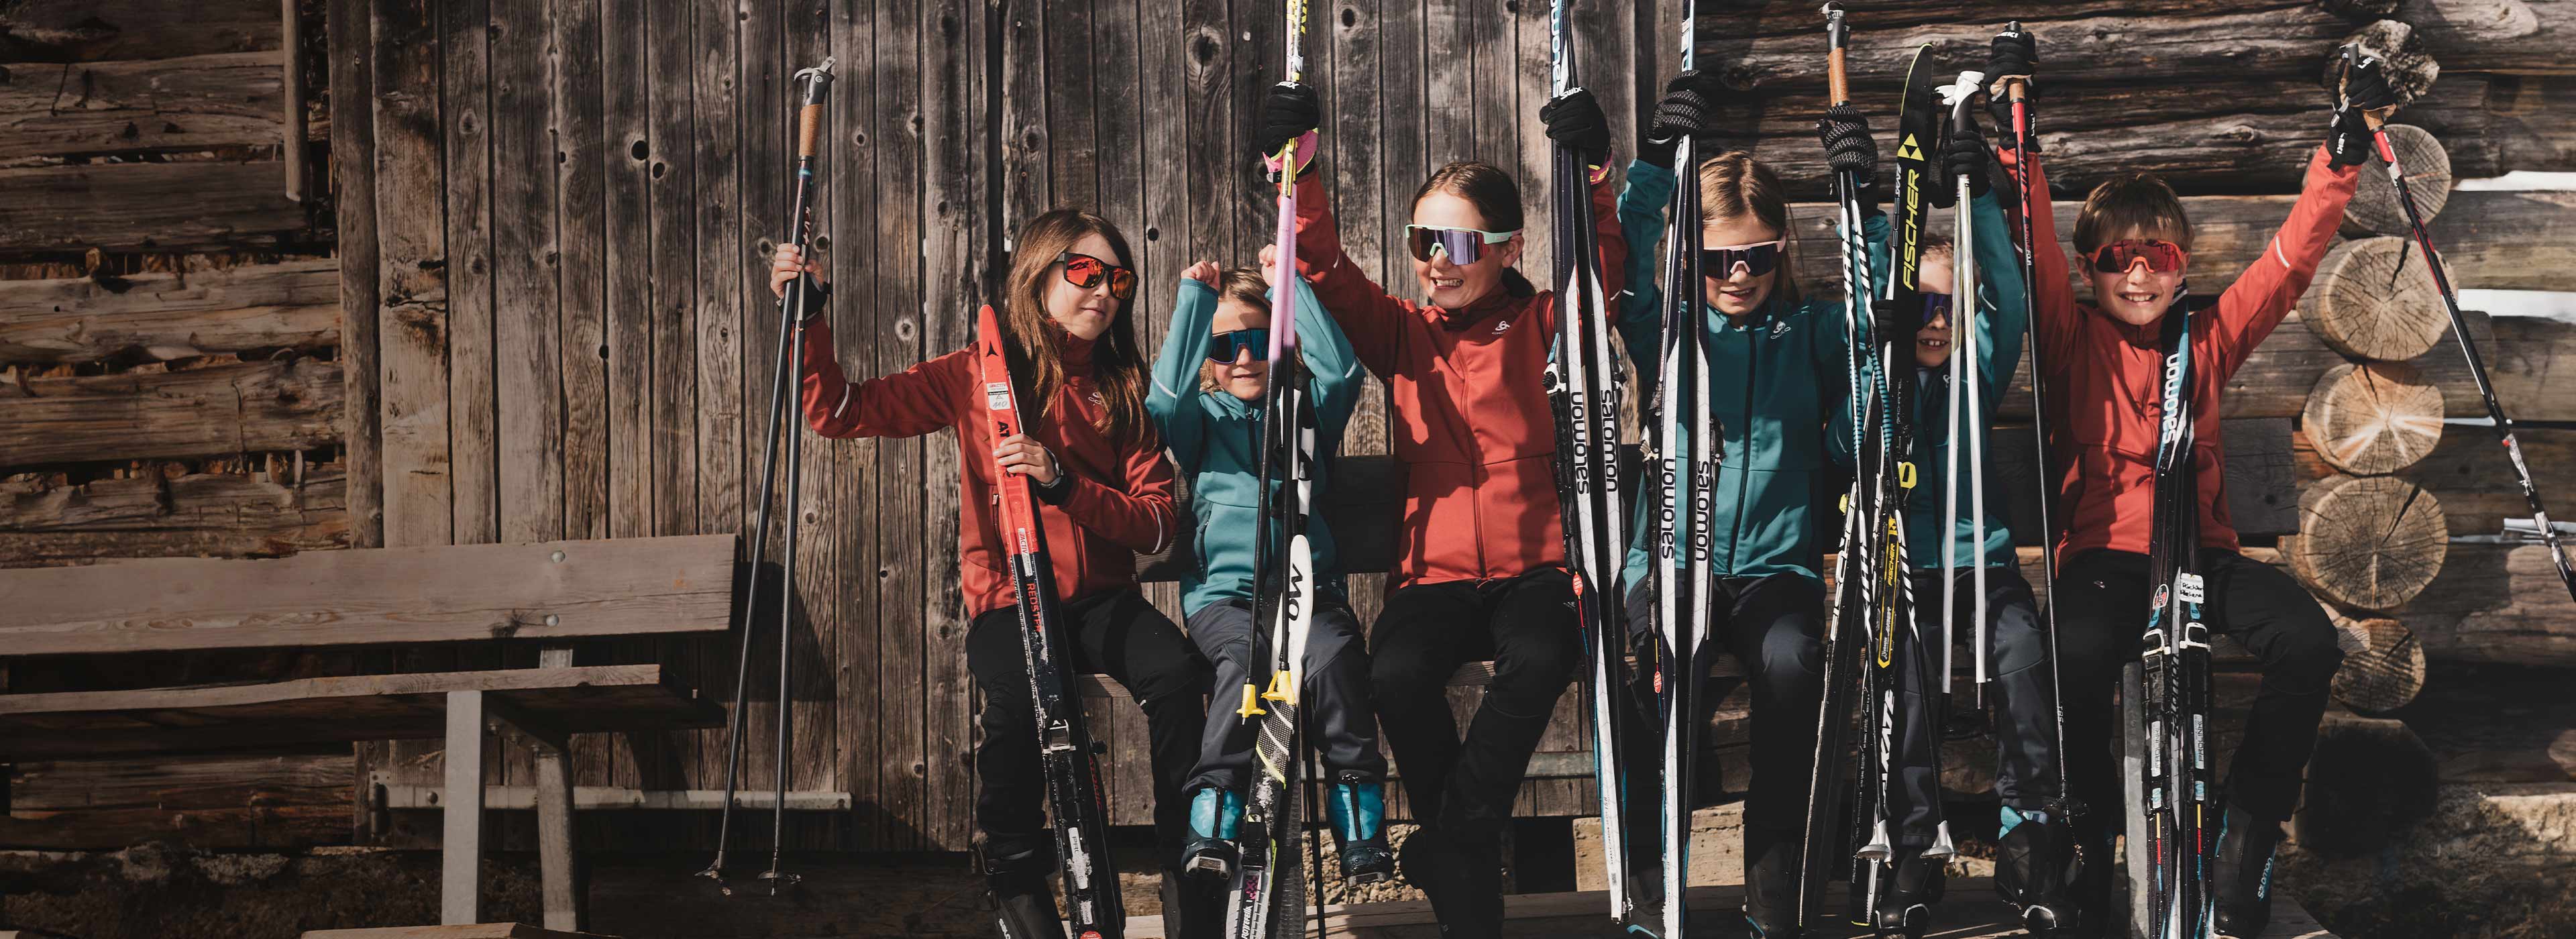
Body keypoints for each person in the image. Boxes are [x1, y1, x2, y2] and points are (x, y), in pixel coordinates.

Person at [1993, 30, 2396, 937]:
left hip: (2200, 559)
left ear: (2182, 269)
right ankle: (2091, 838)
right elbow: (2036, 252)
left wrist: (2343, 154)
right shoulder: (2069, 338)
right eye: (2117, 259)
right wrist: (2021, 145)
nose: (2139, 273)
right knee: (2079, 655)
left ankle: (2250, 829)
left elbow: (2288, 265)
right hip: (2103, 560)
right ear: (2094, 270)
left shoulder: (2205, 341)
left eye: (2162, 258)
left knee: (2305, 640)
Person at [772, 211, 1220, 938]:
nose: (1103, 291)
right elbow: (839, 411)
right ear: (1040, 274)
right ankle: (1012, 866)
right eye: (1083, 272)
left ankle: (1186, 862)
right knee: (1016, 705)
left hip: (1104, 599)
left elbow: (1159, 519)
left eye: (1118, 279)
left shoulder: (1123, 388)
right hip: (1012, 600)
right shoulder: (974, 374)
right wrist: (810, 318)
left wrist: (1065, 485)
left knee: (1175, 674)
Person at [1253, 76, 1625, 935]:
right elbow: (1325, 270)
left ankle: (1454, 839)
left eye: (1459, 241)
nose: (1437, 259)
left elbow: (1601, 271)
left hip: (1536, 567)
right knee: (1395, 673)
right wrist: (1299, 166)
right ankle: (1465, 863)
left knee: (1543, 651)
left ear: (1507, 246)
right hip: (1436, 577)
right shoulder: (1403, 334)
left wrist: (1596, 175)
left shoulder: (1543, 325)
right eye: (1425, 239)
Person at [1611, 70, 1884, 938]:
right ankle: (1655, 887)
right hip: (1675, 558)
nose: (1736, 275)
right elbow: (1624, 254)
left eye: (1755, 258)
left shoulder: (1813, 335)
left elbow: (1876, 333)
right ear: (1692, 255)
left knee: (1797, 664)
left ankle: (1778, 885)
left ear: (1780, 254)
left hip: (1775, 569)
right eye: (1718, 257)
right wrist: (1657, 163)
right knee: (1663, 676)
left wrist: (1866, 202)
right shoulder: (1671, 331)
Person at [1869, 107, 2078, 934]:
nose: (1931, 321)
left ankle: (2031, 836)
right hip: (1904, 568)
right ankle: (1913, 846)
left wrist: (1984, 198)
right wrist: (1891, 205)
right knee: (1909, 687)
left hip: (1983, 566)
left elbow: (2011, 297)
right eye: (1917, 305)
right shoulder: (1883, 369)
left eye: (1946, 308)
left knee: (2025, 658)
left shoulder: (1978, 366)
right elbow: (1856, 427)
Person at [1146, 261, 1393, 885]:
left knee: (1336, 663)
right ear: (1209, 356)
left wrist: (1294, 290)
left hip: (1310, 597)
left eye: (1259, 339)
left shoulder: (1306, 412)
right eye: (1226, 347)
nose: (1245, 358)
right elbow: (1164, 398)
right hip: (1226, 603)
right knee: (1246, 664)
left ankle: (1359, 823)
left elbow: (1343, 371)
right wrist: (1195, 303)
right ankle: (1216, 816)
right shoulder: (1200, 423)